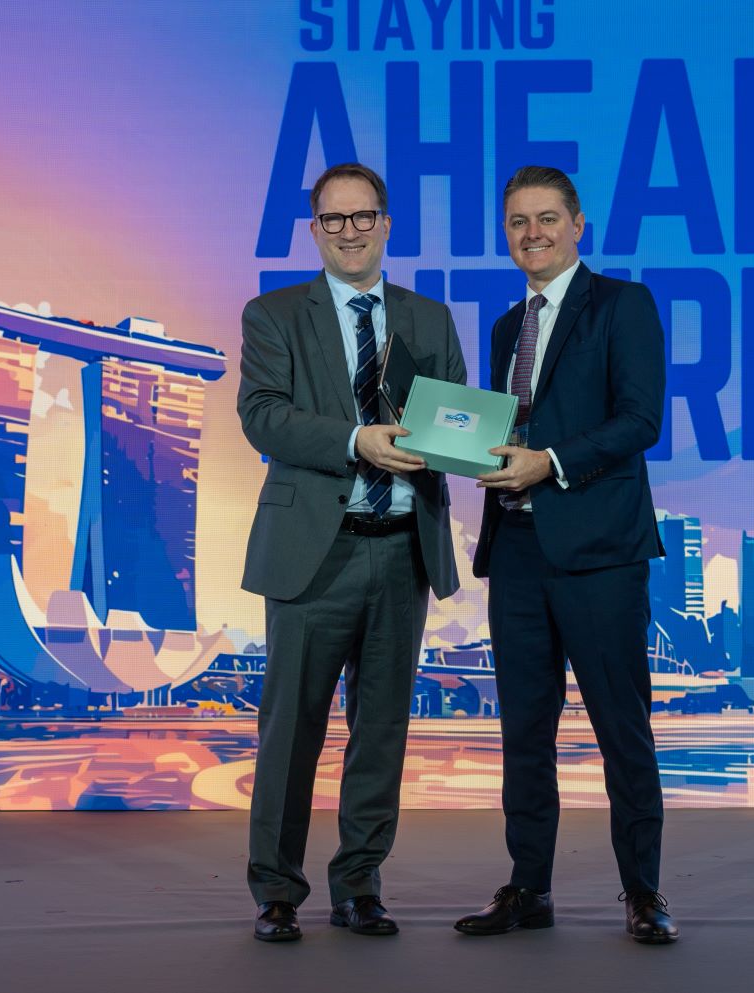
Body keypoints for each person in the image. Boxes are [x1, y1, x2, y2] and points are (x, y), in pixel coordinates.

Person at [237, 162, 466, 942]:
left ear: (386, 223)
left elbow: (457, 423)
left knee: (382, 731)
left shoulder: (429, 319)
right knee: (290, 730)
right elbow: (263, 415)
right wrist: (355, 439)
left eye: (363, 216)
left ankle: (360, 885)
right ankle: (276, 890)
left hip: (403, 553)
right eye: (333, 219)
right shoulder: (274, 314)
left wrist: (463, 442)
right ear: (315, 231)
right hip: (314, 553)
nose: (350, 231)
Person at [454, 165, 679, 944]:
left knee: (622, 728)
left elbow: (641, 419)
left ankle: (643, 892)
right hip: (515, 549)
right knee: (524, 730)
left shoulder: (623, 305)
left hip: (600, 553)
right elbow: (506, 433)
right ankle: (528, 887)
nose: (533, 233)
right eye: (518, 221)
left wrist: (546, 462)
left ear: (578, 225)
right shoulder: (504, 328)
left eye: (547, 218)